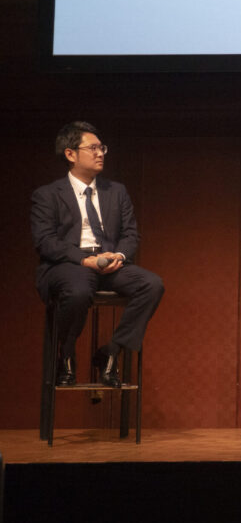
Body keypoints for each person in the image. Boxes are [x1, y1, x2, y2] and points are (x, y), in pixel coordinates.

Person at [31, 121, 164, 387]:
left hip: (108, 262)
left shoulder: (116, 191)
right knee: (79, 289)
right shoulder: (47, 195)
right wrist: (84, 259)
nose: (100, 153)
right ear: (70, 154)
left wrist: (119, 256)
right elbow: (46, 241)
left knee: (151, 284)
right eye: (92, 148)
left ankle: (111, 352)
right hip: (69, 264)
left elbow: (130, 234)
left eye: (102, 148)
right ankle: (66, 354)